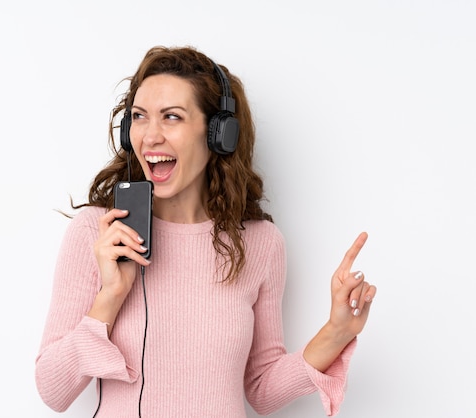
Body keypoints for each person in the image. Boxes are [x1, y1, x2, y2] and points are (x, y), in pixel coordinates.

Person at [35, 45, 377, 417]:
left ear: (218, 134)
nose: (149, 137)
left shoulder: (260, 243)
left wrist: (337, 330)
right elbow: (53, 391)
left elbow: (262, 389)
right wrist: (111, 295)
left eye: (171, 117)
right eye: (139, 116)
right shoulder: (98, 233)